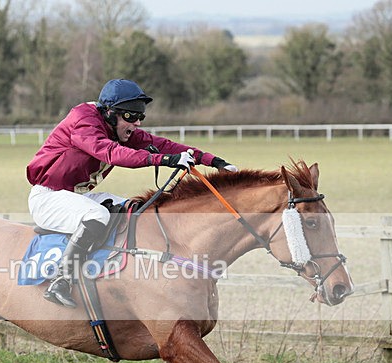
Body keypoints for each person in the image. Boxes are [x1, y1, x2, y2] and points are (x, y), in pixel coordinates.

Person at [26, 79, 238, 308]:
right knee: (97, 216)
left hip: (75, 197)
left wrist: (213, 160)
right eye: (130, 116)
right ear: (110, 113)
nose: (136, 123)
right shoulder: (83, 123)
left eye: (140, 117)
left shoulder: (117, 127)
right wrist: (165, 160)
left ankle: (119, 277)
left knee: (132, 209)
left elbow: (161, 144)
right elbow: (112, 153)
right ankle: (62, 280)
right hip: (48, 197)